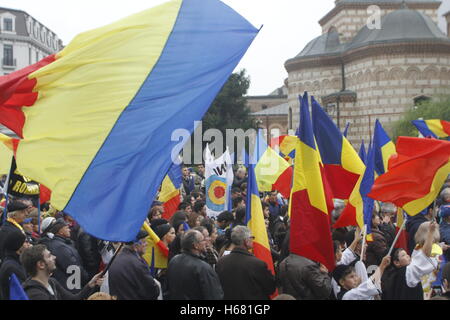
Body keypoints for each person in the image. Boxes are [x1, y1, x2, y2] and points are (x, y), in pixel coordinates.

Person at [381, 221, 440, 300]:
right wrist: (431, 233)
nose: (408, 256)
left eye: (406, 254)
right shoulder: (404, 272)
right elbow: (424, 257)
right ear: (396, 262)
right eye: (403, 255)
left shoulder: (393, 274)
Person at [21, 245, 104, 300]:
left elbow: (73, 298)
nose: (54, 257)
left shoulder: (51, 282)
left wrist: (90, 285)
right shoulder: (35, 294)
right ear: (41, 264)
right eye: (49, 256)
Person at [215, 226, 276, 300]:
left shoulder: (221, 262)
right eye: (252, 238)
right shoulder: (257, 264)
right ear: (246, 241)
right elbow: (271, 288)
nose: (253, 240)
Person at [166, 229, 223, 300]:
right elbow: (214, 295)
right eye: (203, 240)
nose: (206, 242)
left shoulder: (173, 261)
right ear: (195, 245)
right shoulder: (203, 267)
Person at [108, 230, 160, 300]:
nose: (146, 244)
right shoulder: (137, 264)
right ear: (135, 245)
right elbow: (152, 291)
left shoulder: (115, 260)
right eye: (144, 242)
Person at [46, 218, 89, 293]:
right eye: (67, 228)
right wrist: (86, 278)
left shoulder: (64, 243)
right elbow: (73, 268)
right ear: (60, 231)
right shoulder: (60, 247)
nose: (69, 230)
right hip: (71, 285)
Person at [0, 231, 30, 300]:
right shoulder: (11, 267)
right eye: (26, 242)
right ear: (18, 246)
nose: (29, 244)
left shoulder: (17, 262)